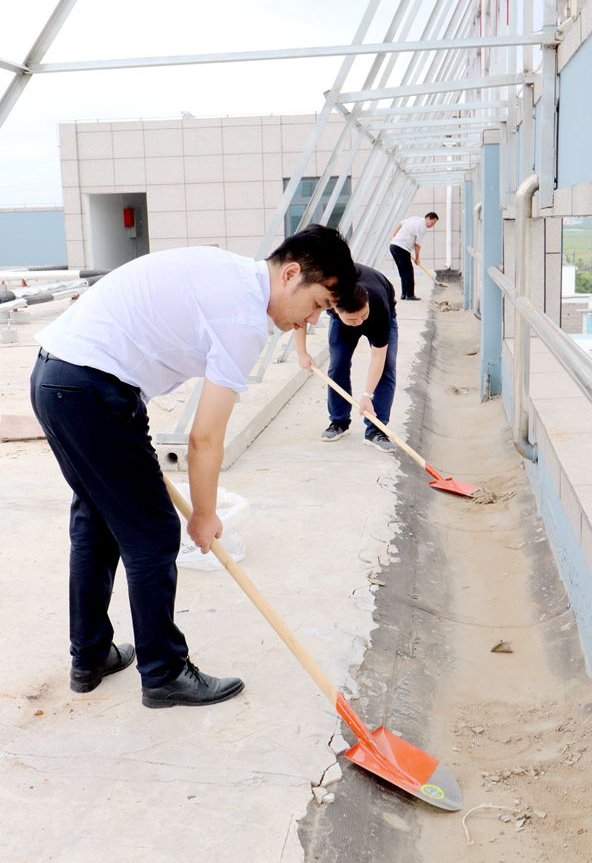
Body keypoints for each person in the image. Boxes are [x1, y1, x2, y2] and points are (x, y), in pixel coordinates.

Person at [30, 225, 357, 709]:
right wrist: (204, 514)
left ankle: (91, 655)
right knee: (153, 533)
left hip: (55, 377)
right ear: (291, 274)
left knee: (97, 519)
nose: (309, 320)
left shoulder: (228, 271)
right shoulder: (244, 320)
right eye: (316, 305)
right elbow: (204, 438)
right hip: (92, 388)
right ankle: (163, 673)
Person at [295, 263, 397, 453]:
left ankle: (376, 430)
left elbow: (378, 356)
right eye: (353, 319)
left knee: (387, 367)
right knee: (338, 364)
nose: (359, 323)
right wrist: (302, 353)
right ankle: (338, 421)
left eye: (362, 316)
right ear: (334, 309)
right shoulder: (322, 293)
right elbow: (300, 316)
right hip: (343, 320)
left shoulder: (377, 303)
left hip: (380, 312)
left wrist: (367, 396)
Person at [389, 212, 438, 300]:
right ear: (427, 218)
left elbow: (400, 223)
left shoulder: (414, 219)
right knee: (408, 271)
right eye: (432, 222)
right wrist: (417, 258)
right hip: (402, 247)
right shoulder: (422, 226)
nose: (432, 225)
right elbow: (417, 244)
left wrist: (393, 234)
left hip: (393, 246)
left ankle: (404, 294)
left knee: (403, 271)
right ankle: (409, 295)